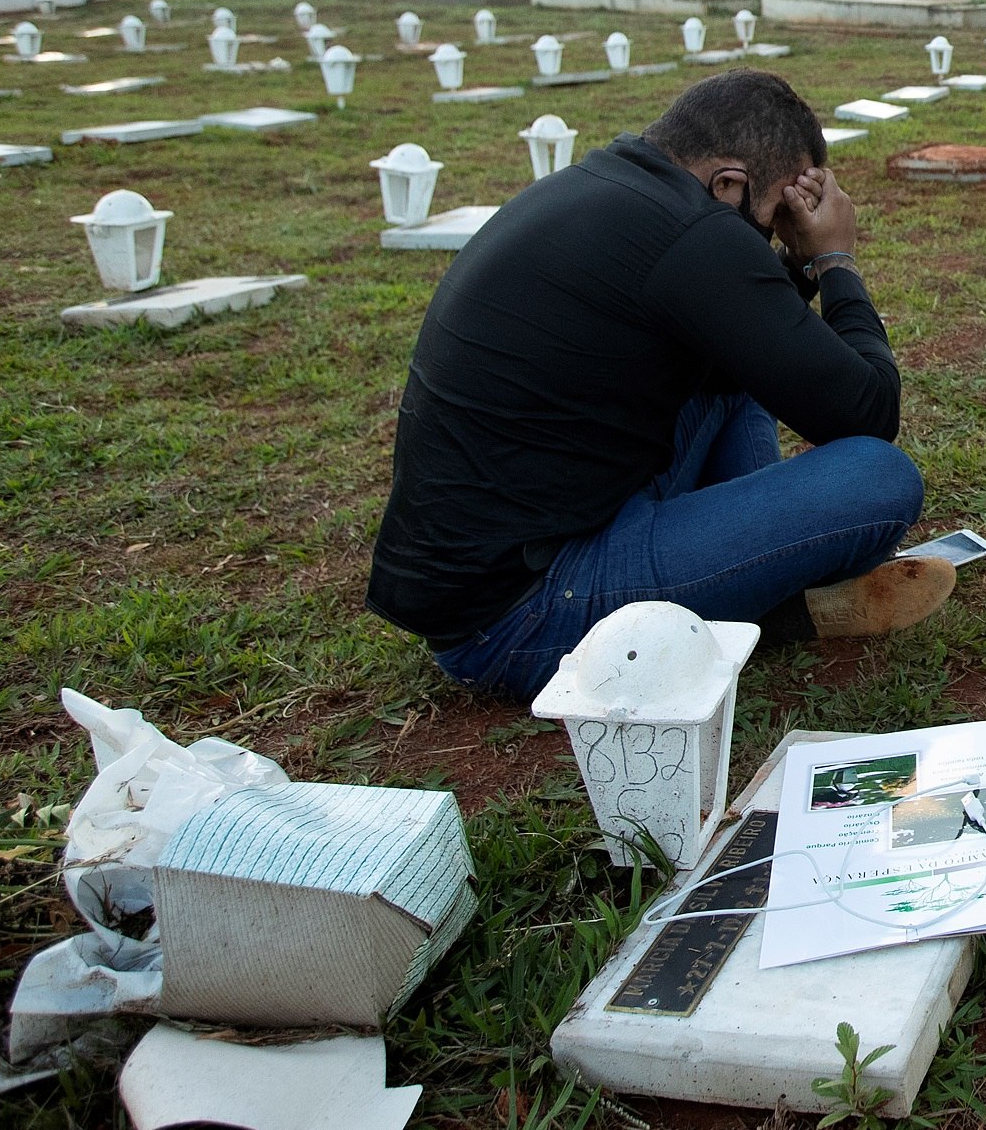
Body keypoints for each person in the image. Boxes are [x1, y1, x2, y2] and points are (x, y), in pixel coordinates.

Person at [364, 70, 950, 702]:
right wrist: (834, 260)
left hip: (517, 557)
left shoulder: (615, 187)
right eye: (776, 214)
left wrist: (785, 265)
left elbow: (751, 347)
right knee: (880, 477)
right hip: (520, 618)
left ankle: (747, 577)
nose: (779, 233)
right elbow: (868, 413)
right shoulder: (695, 234)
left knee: (738, 376)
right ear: (727, 183)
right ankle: (765, 599)